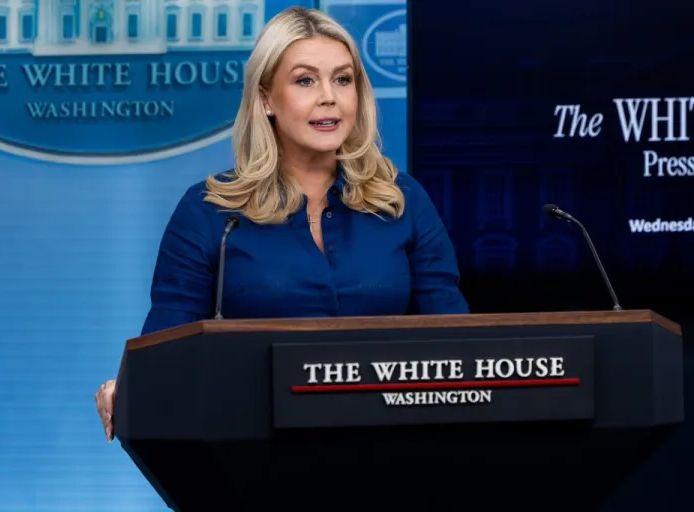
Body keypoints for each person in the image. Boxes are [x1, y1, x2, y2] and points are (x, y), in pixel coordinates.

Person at [95, 6, 469, 441]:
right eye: (305, 80)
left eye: (343, 79)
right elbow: (165, 344)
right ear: (266, 99)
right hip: (252, 448)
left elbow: (455, 343)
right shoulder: (209, 211)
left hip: (392, 445)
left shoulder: (402, 201)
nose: (328, 97)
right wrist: (133, 387)